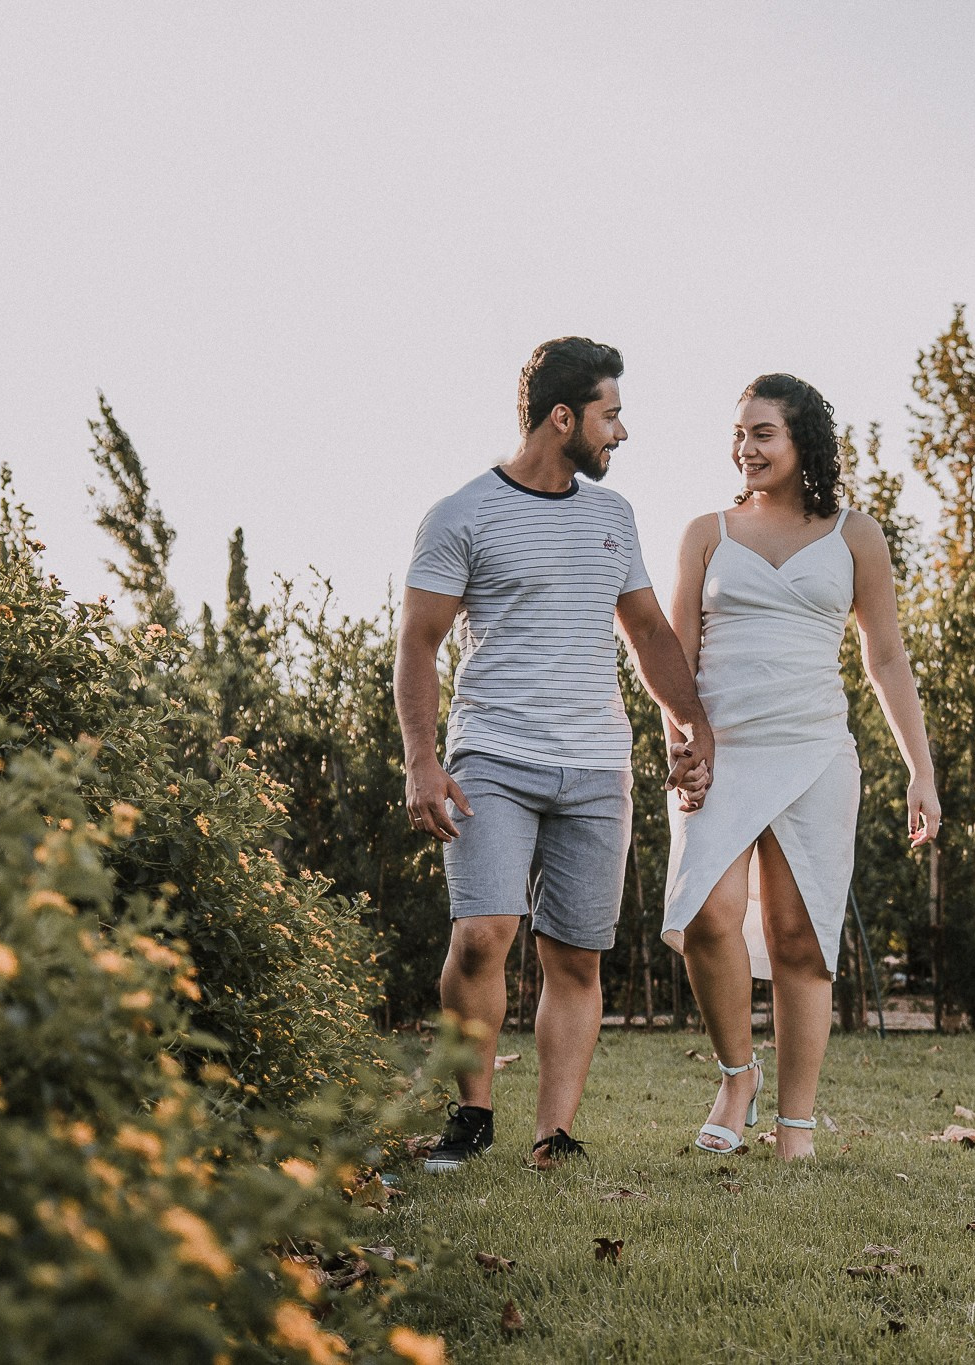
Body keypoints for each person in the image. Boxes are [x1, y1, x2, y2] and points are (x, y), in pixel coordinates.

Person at [396, 336, 714, 1173]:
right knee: (483, 934)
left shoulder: (613, 516)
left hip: (596, 764)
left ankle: (555, 1133)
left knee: (575, 954)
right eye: (611, 415)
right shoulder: (462, 512)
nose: (622, 432)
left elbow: (646, 631)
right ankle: (471, 1117)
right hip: (493, 755)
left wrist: (691, 725)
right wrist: (422, 762)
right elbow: (419, 646)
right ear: (563, 417)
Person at [662, 373, 939, 1160]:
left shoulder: (856, 535)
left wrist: (920, 769)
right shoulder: (705, 533)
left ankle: (796, 1129)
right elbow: (674, 657)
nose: (745, 448)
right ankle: (736, 1073)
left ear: (801, 440)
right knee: (709, 915)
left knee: (800, 938)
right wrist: (681, 741)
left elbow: (885, 657)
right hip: (721, 751)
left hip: (816, 752)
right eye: (740, 433)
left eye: (763, 434)